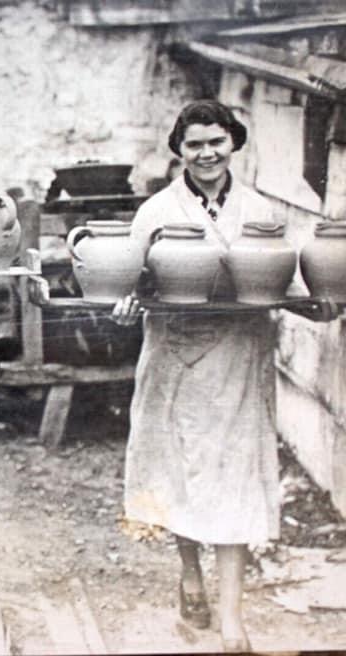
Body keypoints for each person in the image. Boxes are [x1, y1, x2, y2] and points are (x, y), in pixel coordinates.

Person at [112, 99, 337, 652]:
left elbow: (285, 285)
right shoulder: (156, 212)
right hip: (175, 360)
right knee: (179, 474)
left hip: (239, 359)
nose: (206, 153)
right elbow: (126, 279)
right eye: (194, 144)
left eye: (216, 141)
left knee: (234, 483)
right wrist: (124, 300)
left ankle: (233, 620)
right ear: (179, 151)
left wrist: (322, 305)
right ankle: (190, 574)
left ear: (234, 142)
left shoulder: (261, 210)